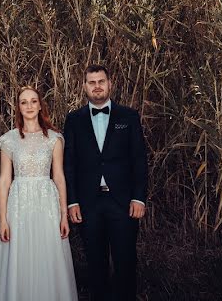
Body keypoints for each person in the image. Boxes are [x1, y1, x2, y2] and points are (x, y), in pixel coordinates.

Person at [64, 64, 148, 301]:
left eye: (101, 81)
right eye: (92, 82)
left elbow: (139, 159)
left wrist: (138, 197)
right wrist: (72, 202)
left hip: (122, 202)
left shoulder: (128, 117)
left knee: (126, 262)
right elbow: (69, 164)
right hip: (89, 203)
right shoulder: (74, 119)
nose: (97, 86)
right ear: (84, 86)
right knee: (95, 264)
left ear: (110, 84)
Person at [0, 86, 78, 301]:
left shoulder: (54, 139)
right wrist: (3, 219)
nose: (29, 106)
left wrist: (64, 214)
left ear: (40, 105)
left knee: (46, 255)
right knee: (20, 256)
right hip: (19, 204)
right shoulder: (9, 139)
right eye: (24, 102)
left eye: (33, 101)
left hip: (46, 204)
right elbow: (5, 180)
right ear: (18, 107)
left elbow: (59, 177)